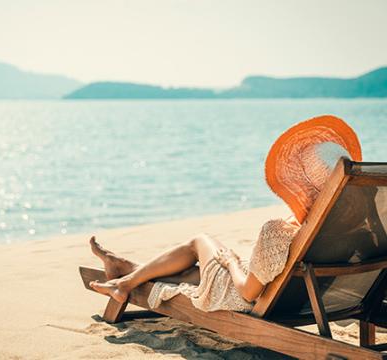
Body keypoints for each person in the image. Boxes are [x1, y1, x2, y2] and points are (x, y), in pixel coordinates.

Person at [88, 115, 362, 313]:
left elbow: (246, 292)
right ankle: (125, 269)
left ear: (300, 182)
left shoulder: (277, 233)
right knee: (193, 274)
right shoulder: (353, 228)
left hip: (245, 296)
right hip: (306, 298)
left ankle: (123, 283)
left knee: (199, 241)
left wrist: (231, 262)